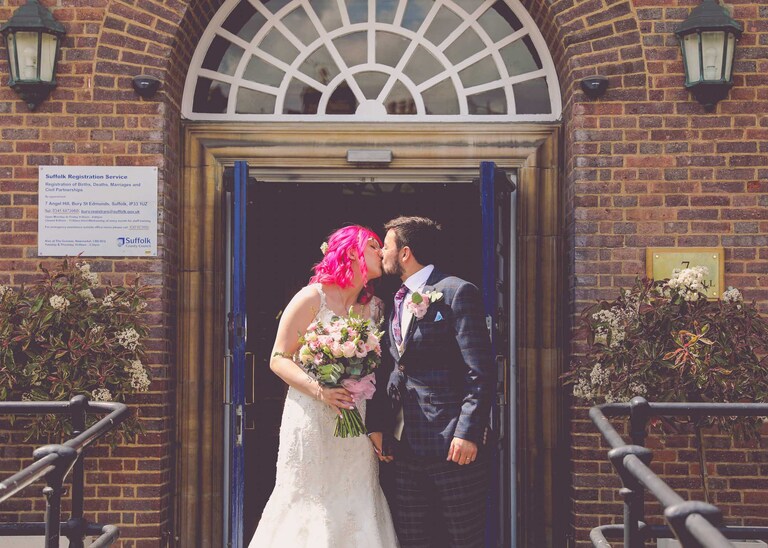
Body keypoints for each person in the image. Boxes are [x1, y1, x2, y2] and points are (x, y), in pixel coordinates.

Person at [249, 225, 399, 548]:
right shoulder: (310, 298)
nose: (381, 252)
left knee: (357, 496)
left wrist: (378, 425)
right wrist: (321, 390)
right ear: (351, 253)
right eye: (373, 246)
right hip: (312, 417)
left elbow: (384, 373)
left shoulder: (377, 309)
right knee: (308, 498)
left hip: (355, 421)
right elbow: (278, 358)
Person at [367, 216, 494, 548]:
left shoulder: (456, 292)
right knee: (411, 538)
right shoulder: (394, 300)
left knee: (463, 537)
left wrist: (467, 432)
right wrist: (378, 423)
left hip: (451, 442)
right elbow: (392, 369)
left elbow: (479, 370)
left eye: (388, 246)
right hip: (403, 445)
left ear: (405, 252)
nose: (382, 253)